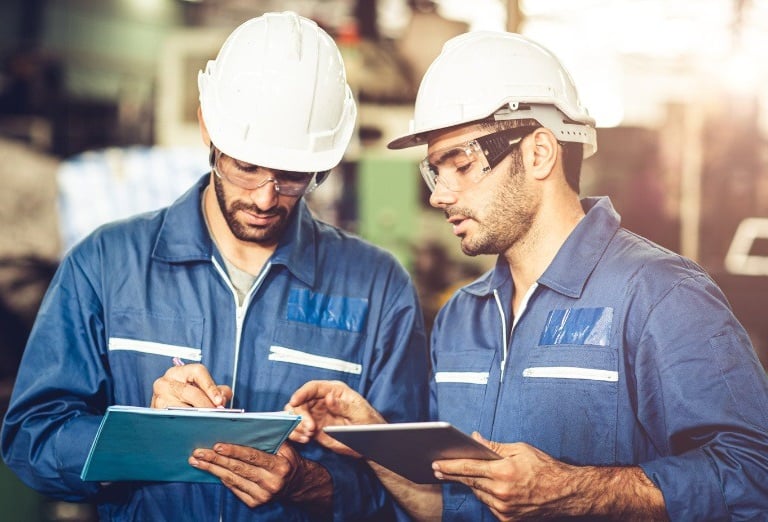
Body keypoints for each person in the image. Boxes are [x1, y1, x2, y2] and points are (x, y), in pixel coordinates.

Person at [286, 30, 768, 521]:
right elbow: (449, 507)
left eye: (461, 163)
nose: (439, 195)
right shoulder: (460, 317)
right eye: (436, 171)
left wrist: (575, 489)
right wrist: (374, 440)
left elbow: (754, 475)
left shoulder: (661, 296)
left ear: (539, 152)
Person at [1, 12, 430, 521]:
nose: (266, 197)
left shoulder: (377, 287)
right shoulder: (106, 264)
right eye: (246, 166)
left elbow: (414, 491)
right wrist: (141, 437)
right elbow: (32, 440)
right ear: (209, 127)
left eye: (293, 176)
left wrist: (313, 485)